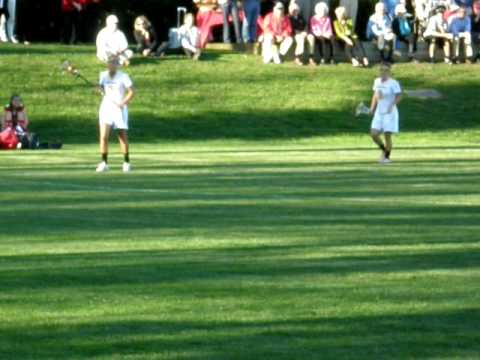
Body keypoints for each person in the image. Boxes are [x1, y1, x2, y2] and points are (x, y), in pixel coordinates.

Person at [96, 56, 135, 173]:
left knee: (121, 136)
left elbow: (132, 92)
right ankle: (104, 163)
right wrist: (98, 89)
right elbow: (101, 89)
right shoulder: (103, 75)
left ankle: (126, 162)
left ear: (118, 65)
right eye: (110, 63)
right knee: (103, 137)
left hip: (119, 109)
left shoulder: (123, 77)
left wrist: (123, 103)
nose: (111, 65)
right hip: (105, 108)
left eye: (114, 63)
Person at [369, 64, 402, 164]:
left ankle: (387, 157)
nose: (383, 72)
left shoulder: (393, 83)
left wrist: (392, 105)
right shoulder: (376, 81)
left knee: (387, 135)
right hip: (379, 113)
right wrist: (372, 108)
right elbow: (375, 95)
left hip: (390, 113)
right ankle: (384, 150)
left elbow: (399, 96)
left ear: (389, 72)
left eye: (386, 70)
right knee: (373, 134)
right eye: (381, 70)